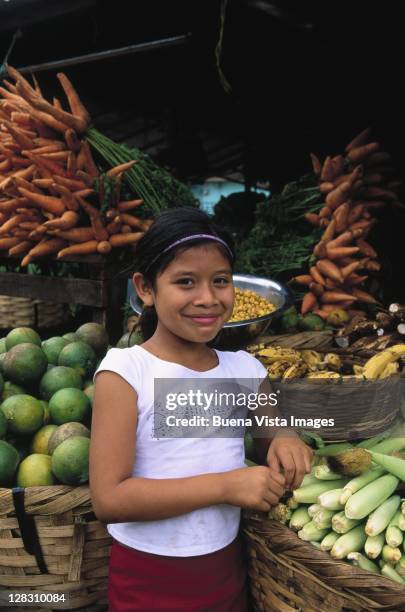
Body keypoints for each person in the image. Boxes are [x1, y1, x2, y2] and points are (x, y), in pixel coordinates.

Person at [90, 206, 313, 611]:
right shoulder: (126, 372)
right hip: (148, 581)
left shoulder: (245, 369)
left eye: (220, 281)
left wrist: (285, 439)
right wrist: (226, 486)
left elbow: (271, 436)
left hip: (227, 573)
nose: (207, 298)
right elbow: (110, 498)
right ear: (145, 288)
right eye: (186, 282)